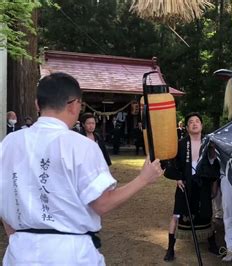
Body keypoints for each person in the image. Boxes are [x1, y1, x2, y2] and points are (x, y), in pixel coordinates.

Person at [0, 72, 163, 265]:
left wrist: (16, 235)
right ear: (75, 104)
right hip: (70, 253)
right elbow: (101, 203)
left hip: (19, 252)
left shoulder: (9, 143)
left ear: (37, 104)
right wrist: (142, 179)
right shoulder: (81, 145)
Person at [163, 112, 220, 262]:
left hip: (203, 183)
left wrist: (214, 186)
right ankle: (170, 249)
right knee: (176, 215)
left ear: (201, 126)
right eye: (191, 122)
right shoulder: (181, 144)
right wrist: (178, 178)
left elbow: (215, 166)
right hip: (185, 183)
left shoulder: (209, 143)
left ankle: (212, 243)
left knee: (207, 214)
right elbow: (172, 164)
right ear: (187, 128)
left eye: (197, 121)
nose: (194, 124)